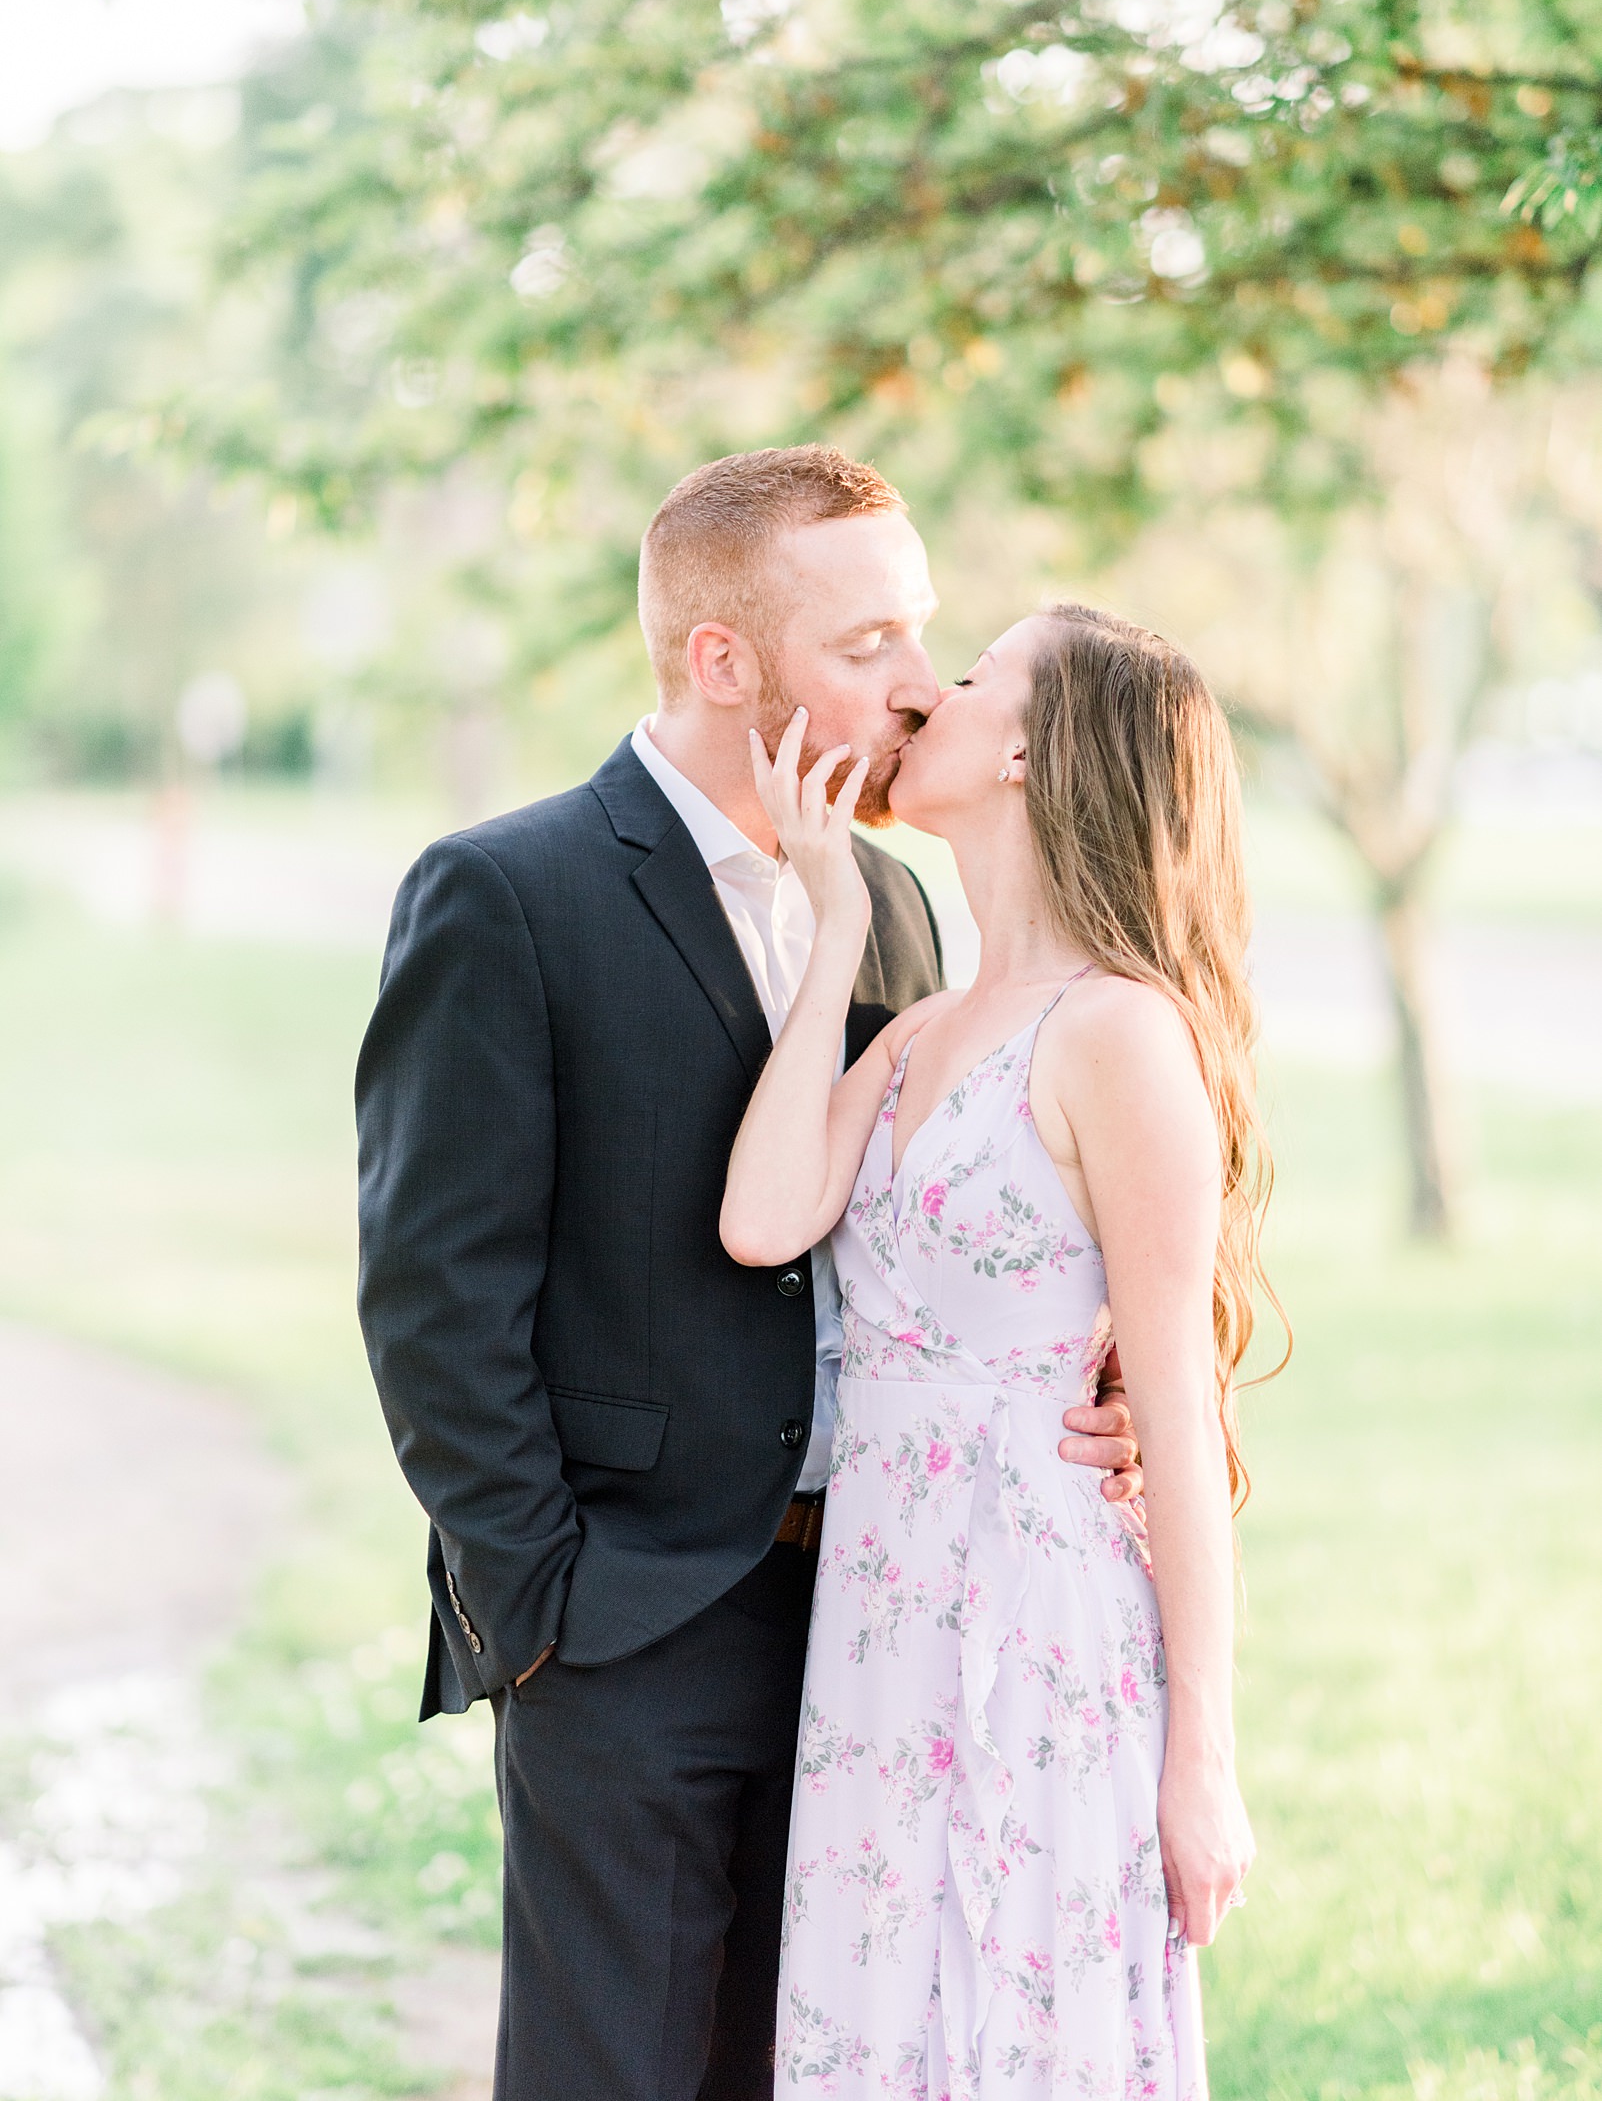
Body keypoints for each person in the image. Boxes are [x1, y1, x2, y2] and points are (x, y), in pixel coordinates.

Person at [355, 449, 1142, 2101]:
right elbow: (436, 1301)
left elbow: (952, 1209)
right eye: (868, 647)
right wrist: (546, 1609)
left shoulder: (908, 912)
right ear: (724, 663)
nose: (920, 692)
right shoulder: (510, 893)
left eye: (922, 639)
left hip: (886, 1610)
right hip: (626, 1622)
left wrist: (1103, 1365)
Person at [721, 603, 1276, 2097]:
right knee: (879, 2008)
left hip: (1044, 1613)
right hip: (881, 1618)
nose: (926, 699)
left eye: (968, 681)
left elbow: (1173, 1409)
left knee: (1023, 2010)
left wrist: (1201, 1759)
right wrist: (833, 918)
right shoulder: (911, 1034)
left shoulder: (1118, 1035)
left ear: (1029, 749)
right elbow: (765, 1222)